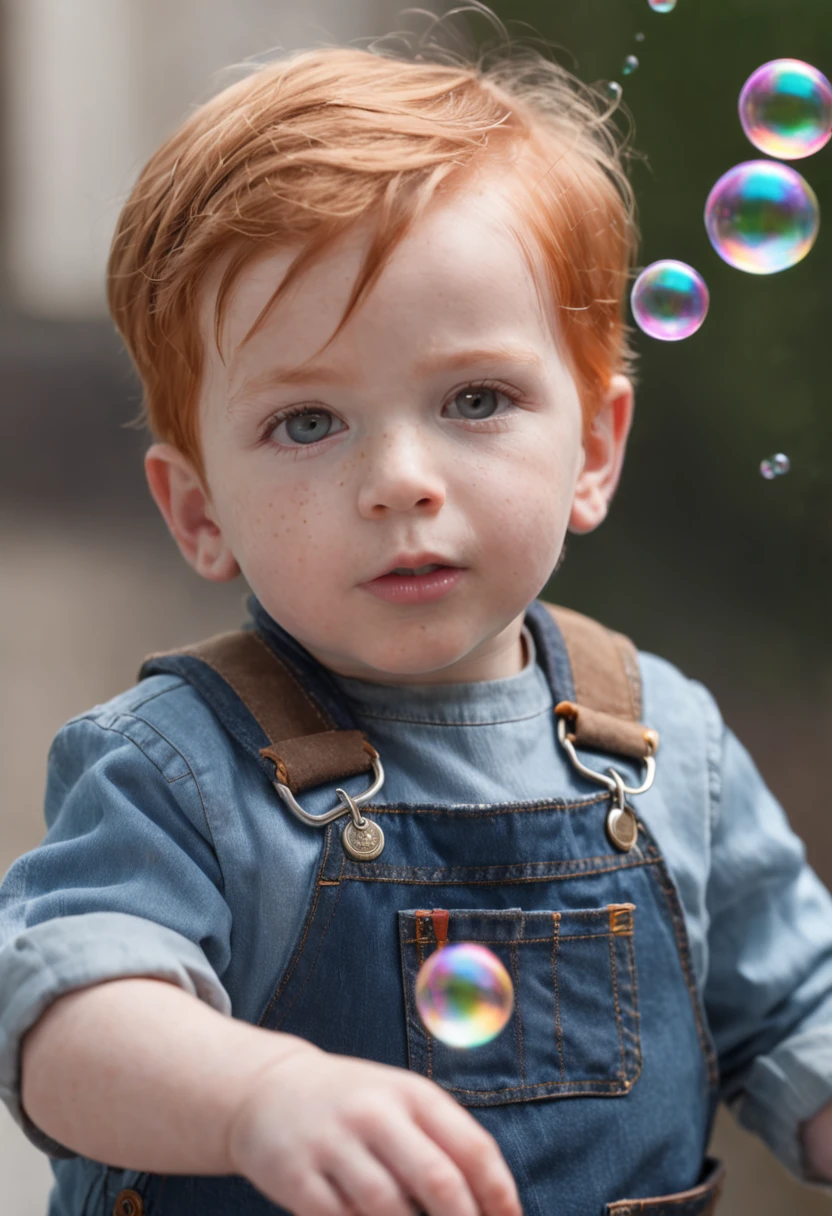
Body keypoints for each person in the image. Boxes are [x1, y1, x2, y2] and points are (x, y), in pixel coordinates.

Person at [1, 11, 831, 1216]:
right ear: (198, 511)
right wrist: (255, 1096)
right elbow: (62, 1015)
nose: (401, 476)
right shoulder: (177, 771)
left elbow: (799, 1006)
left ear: (594, 450)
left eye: (476, 397)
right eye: (307, 422)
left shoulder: (669, 750)